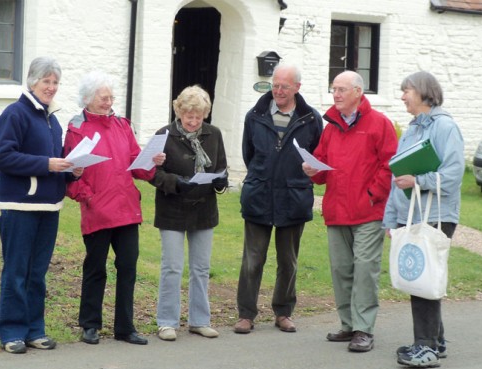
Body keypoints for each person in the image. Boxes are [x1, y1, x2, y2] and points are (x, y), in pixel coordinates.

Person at [63, 71, 166, 346]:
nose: (109, 102)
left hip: (126, 208)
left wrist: (152, 160)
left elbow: (137, 163)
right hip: (97, 210)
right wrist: (89, 197)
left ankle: (125, 327)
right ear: (88, 99)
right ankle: (90, 324)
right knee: (95, 268)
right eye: (103, 98)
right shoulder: (77, 129)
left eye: (111, 98)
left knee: (128, 268)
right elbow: (70, 174)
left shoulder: (122, 125)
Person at [0, 56, 83, 354]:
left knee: (37, 274)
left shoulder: (52, 120)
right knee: (16, 272)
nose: (52, 87)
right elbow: (2, 157)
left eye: (55, 82)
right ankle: (12, 332)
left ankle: (34, 330)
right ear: (33, 81)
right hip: (19, 207)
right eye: (47, 81)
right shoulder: (14, 114)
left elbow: (54, 164)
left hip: (49, 208)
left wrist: (71, 170)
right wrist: (47, 164)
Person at [302, 70, 398, 352]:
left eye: (342, 89)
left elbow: (390, 164)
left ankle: (364, 329)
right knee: (341, 270)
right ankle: (348, 324)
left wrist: (372, 195)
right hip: (337, 211)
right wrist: (311, 170)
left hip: (368, 211)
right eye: (334, 89)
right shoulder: (331, 127)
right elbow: (321, 166)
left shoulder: (379, 123)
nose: (337, 94)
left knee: (365, 269)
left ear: (358, 92)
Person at [383, 71, 465, 368]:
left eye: (406, 91)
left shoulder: (445, 127)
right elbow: (398, 176)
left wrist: (418, 180)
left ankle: (426, 347)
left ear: (423, 92)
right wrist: (393, 220)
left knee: (422, 280)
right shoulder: (411, 130)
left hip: (437, 216)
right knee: (420, 277)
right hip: (412, 216)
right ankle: (435, 341)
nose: (403, 96)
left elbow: (454, 175)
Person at [234, 63, 323, 334]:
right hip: (259, 195)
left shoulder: (311, 119)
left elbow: (317, 158)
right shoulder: (255, 115)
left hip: (293, 197)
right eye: (275, 85)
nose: (279, 91)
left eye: (284, 86)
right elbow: (249, 155)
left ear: (297, 87)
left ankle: (283, 312)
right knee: (252, 259)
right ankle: (246, 314)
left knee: (288, 261)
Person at [149, 85, 228, 341]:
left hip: (203, 209)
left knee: (201, 268)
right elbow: (152, 173)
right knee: (172, 266)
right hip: (173, 209)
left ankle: (199, 320)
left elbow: (222, 167)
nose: (193, 121)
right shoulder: (164, 135)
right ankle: (167, 321)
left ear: (205, 113)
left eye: (198, 116)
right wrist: (175, 182)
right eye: (188, 116)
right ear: (179, 112)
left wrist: (220, 182)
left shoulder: (214, 134)